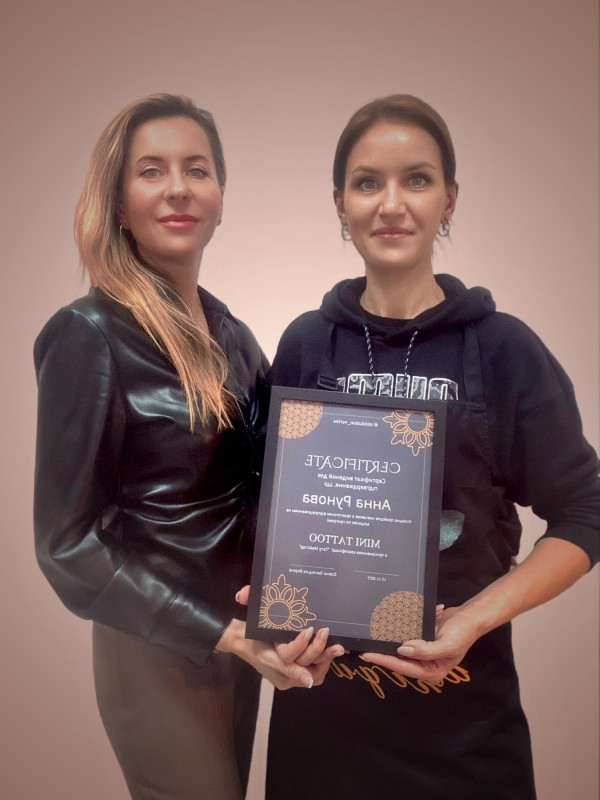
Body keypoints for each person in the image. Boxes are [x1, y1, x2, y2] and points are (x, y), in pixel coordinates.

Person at [265, 94, 599, 800]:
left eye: (416, 179)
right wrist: (268, 608)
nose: (392, 204)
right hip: (321, 721)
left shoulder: (505, 348)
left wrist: (475, 617)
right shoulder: (305, 344)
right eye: (367, 182)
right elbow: (271, 512)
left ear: (449, 199)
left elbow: (586, 513)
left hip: (464, 730)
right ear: (340, 203)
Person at [33, 93, 339, 800]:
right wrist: (223, 635)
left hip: (246, 638)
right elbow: (65, 547)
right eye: (152, 170)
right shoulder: (88, 335)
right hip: (158, 649)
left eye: (196, 169)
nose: (177, 187)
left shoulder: (234, 337)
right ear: (118, 202)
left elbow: (285, 483)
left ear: (220, 198)